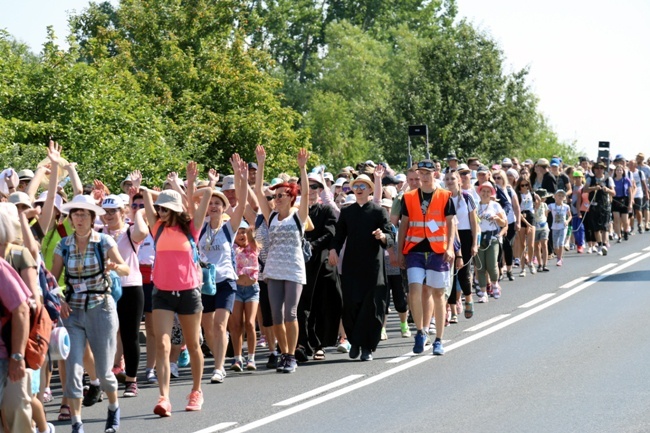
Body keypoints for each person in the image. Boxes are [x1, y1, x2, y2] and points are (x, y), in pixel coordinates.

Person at [51, 194, 130, 433]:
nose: (79, 218)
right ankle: (77, 423)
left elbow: (125, 268)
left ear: (92, 217)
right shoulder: (63, 245)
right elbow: (52, 279)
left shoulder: (103, 241)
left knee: (105, 373)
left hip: (101, 308)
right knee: (74, 368)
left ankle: (113, 409)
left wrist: (116, 267)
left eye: (84, 214)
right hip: (73, 311)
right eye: (75, 214)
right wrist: (59, 299)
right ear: (70, 218)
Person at [141, 162, 212, 416]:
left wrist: (203, 185)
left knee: (193, 345)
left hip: (188, 293)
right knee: (162, 343)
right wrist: (143, 189)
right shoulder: (156, 228)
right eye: (159, 207)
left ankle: (196, 391)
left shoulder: (191, 228)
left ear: (174, 209)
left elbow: (202, 204)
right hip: (161, 293)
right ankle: (164, 397)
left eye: (164, 208)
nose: (159, 211)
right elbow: (145, 199)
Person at [253, 146, 310, 373]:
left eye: (280, 196)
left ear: (290, 197)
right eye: (274, 196)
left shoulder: (298, 216)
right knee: (276, 314)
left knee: (291, 313)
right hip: (273, 269)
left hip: (294, 269)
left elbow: (305, 194)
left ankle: (292, 355)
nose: (275, 199)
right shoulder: (272, 216)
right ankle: (285, 353)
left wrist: (302, 168)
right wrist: (261, 162)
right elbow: (257, 190)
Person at [330, 173, 394, 361]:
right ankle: (354, 342)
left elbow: (390, 233)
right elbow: (339, 235)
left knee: (372, 307)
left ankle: (367, 347)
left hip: (373, 267)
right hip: (351, 266)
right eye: (356, 186)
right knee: (350, 305)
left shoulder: (378, 211)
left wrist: (382, 237)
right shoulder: (347, 212)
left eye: (363, 186)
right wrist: (333, 249)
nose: (358, 189)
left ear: (370, 189)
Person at [396, 160, 456, 356]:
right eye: (421, 173)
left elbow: (451, 224)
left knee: (438, 294)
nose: (423, 176)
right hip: (414, 249)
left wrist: (450, 248)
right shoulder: (409, 197)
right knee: (414, 289)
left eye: (427, 173)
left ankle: (439, 339)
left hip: (438, 250)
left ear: (434, 174)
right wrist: (399, 251)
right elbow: (403, 225)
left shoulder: (445, 196)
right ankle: (420, 332)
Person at [198, 155, 248, 383]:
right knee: (208, 328)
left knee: (219, 324)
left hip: (226, 281)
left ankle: (219, 367)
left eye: (218, 203)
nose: (214, 206)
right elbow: (192, 202)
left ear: (223, 207)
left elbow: (244, 202)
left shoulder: (230, 228)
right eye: (211, 203)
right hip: (204, 283)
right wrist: (207, 184)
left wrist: (240, 176)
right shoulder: (199, 227)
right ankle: (219, 351)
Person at [99, 193, 148, 398]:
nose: (109, 215)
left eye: (114, 211)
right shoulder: (98, 232)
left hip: (130, 287)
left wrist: (138, 212)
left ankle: (131, 381)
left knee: (129, 336)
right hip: (105, 289)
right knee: (104, 337)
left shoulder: (130, 231)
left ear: (122, 212)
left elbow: (143, 231)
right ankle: (103, 380)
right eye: (106, 211)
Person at [296, 173, 341, 362]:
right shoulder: (295, 212)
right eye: (308, 186)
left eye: (315, 187)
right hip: (299, 263)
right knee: (301, 306)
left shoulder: (326, 211)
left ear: (321, 190)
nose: (311, 191)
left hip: (320, 261)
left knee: (322, 303)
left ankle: (319, 345)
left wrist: (312, 246)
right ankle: (302, 344)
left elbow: (330, 233)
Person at [444, 169, 478, 320]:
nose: (450, 181)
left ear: (459, 180)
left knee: (463, 272)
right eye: (447, 179)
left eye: (452, 178)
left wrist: (475, 243)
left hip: (465, 235)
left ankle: (468, 299)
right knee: (449, 273)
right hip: (449, 236)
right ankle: (452, 308)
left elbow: (474, 221)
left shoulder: (466, 197)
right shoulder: (443, 197)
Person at [229, 220, 260, 370]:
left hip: (252, 289)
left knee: (250, 323)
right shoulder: (231, 247)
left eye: (244, 232)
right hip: (236, 289)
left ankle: (251, 358)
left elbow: (252, 234)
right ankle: (237, 358)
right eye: (238, 232)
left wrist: (249, 230)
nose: (241, 235)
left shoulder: (253, 246)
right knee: (236, 325)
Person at [474, 182, 507, 303]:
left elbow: (504, 223)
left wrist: (497, 219)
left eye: (488, 191)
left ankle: (494, 284)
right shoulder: (475, 206)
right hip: (479, 237)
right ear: (480, 192)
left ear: (492, 193)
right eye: (483, 191)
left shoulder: (495, 206)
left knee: (492, 265)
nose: (485, 193)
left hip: (492, 237)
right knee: (480, 266)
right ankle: (483, 292)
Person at [583, 162, 615, 256]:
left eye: (601, 168)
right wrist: (594, 188)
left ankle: (604, 245)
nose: (599, 170)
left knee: (605, 226)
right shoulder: (590, 179)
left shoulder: (608, 179)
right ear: (594, 169)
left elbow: (613, 192)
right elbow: (584, 190)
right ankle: (600, 245)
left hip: (605, 205)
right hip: (593, 205)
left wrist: (607, 190)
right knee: (596, 228)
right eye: (597, 168)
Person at [514, 177, 536, 275]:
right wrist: (524, 221)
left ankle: (530, 262)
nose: (525, 187)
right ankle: (523, 268)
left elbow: (538, 202)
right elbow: (517, 210)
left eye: (526, 185)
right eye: (522, 185)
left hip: (530, 216)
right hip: (522, 217)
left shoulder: (531, 194)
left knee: (531, 244)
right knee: (522, 244)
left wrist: (534, 211)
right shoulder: (518, 195)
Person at [548, 190, 571, 266]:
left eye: (562, 196)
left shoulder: (566, 206)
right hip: (554, 227)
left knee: (561, 243)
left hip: (563, 227)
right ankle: (558, 256)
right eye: (559, 195)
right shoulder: (551, 205)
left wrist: (567, 221)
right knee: (555, 245)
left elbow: (570, 216)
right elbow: (546, 212)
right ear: (555, 196)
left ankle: (559, 259)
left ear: (564, 198)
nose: (560, 197)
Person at [611, 165, 632, 242]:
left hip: (624, 199)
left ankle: (626, 231)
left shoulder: (626, 180)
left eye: (620, 170)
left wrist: (630, 203)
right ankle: (619, 235)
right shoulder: (612, 180)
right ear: (615, 171)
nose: (619, 171)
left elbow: (630, 192)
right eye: (617, 170)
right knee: (616, 220)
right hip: (615, 200)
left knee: (625, 220)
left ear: (623, 172)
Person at [533, 189, 550, 271]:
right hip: (535, 227)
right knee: (537, 246)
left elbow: (546, 215)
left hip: (543, 226)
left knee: (544, 243)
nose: (545, 199)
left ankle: (545, 264)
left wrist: (544, 221)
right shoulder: (533, 205)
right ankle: (539, 264)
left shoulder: (545, 205)